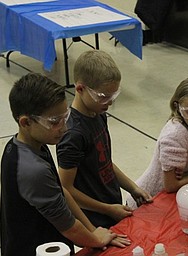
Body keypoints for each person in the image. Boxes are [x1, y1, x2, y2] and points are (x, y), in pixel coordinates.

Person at [1, 73, 130, 256]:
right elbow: (69, 228)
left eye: (65, 116)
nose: (64, 127)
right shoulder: (33, 169)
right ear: (26, 122)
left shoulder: (26, 145)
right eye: (54, 122)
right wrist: (96, 239)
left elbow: (61, 192)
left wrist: (92, 229)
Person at [56, 50, 153, 229]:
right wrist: (107, 209)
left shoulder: (98, 114)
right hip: (94, 220)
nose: (109, 103)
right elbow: (66, 189)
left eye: (114, 96)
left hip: (111, 206)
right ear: (80, 88)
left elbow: (104, 162)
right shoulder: (73, 134)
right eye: (103, 97)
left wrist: (132, 187)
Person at [126, 76, 188, 209]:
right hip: (149, 199)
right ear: (177, 107)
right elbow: (171, 185)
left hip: (180, 193)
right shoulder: (174, 135)